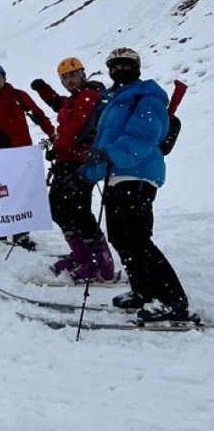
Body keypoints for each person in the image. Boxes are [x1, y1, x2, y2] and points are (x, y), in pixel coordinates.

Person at [82, 47, 190, 322]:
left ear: (137, 67)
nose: (120, 70)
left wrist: (109, 155)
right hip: (117, 177)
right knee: (121, 238)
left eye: (126, 65)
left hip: (139, 174)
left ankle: (172, 301)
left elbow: (144, 134)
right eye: (114, 65)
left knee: (138, 239)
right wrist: (90, 170)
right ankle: (143, 291)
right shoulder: (113, 101)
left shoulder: (147, 96)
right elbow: (105, 141)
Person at [31, 58, 114, 281]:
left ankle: (101, 264)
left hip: (81, 162)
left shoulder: (88, 97)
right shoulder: (73, 99)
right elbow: (59, 106)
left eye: (73, 75)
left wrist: (58, 148)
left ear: (83, 74)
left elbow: (76, 131)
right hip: (66, 162)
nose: (69, 80)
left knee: (79, 211)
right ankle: (82, 255)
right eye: (64, 77)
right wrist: (43, 90)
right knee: (59, 208)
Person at [0, 63, 55, 251]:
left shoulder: (19, 95)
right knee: (3, 192)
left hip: (24, 153)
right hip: (3, 155)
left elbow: (39, 115)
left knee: (22, 193)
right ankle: (2, 229)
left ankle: (21, 233)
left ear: (4, 77)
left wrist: (52, 134)